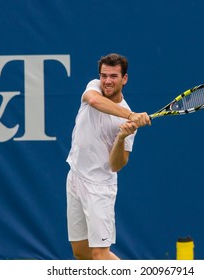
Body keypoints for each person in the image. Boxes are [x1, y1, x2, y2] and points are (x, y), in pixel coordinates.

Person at [66, 53, 151, 260]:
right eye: (104, 75)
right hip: (75, 177)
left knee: (100, 254)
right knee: (80, 251)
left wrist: (121, 137)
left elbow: (116, 165)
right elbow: (94, 101)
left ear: (124, 79)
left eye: (113, 76)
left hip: (99, 187)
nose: (107, 81)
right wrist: (130, 116)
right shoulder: (94, 88)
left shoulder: (129, 119)